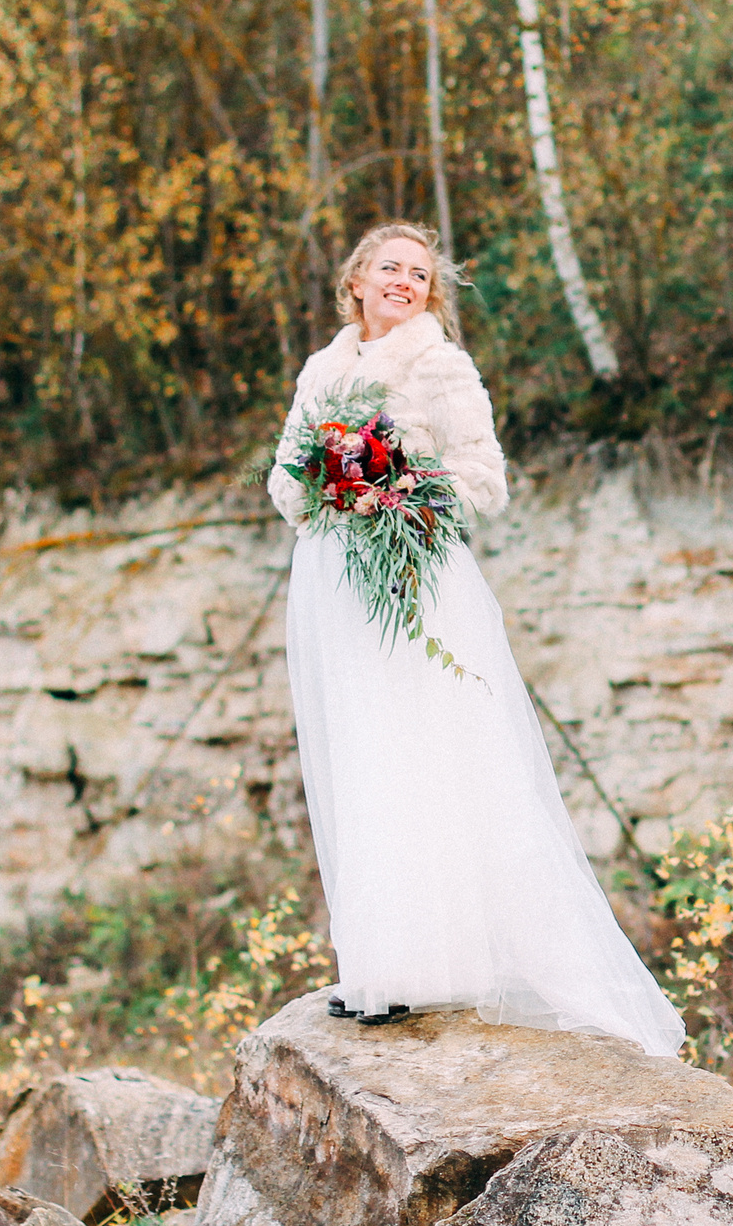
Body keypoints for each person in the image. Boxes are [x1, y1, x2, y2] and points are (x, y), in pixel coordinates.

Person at [266, 222, 684, 1057]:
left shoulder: (441, 366)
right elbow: (283, 478)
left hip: (412, 580)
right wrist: (329, 489)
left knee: (424, 756)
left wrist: (398, 491)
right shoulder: (323, 370)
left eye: (420, 274)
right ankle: (381, 968)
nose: (405, 282)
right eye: (390, 267)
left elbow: (485, 482)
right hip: (334, 586)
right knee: (361, 759)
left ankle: (436, 965)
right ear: (357, 280)